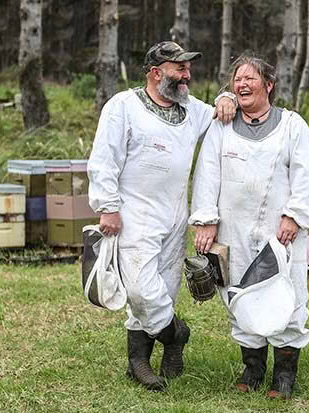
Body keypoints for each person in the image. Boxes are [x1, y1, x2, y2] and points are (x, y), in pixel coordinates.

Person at [87, 41, 236, 392]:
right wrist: (107, 206)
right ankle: (175, 335)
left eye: (187, 68)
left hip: (173, 215)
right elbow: (103, 158)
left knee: (166, 291)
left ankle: (137, 362)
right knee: (140, 290)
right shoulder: (123, 106)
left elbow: (219, 109)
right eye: (178, 68)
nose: (186, 75)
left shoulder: (191, 110)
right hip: (133, 214)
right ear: (156, 73)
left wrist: (226, 96)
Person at [189, 52, 309, 399]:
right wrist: (205, 221)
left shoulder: (293, 126)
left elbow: (307, 176)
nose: (242, 83)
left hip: (282, 233)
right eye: (237, 79)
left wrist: (295, 215)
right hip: (233, 229)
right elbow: (206, 175)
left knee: (287, 295)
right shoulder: (222, 127)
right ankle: (253, 368)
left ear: (269, 85)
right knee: (239, 295)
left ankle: (284, 376)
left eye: (250, 78)